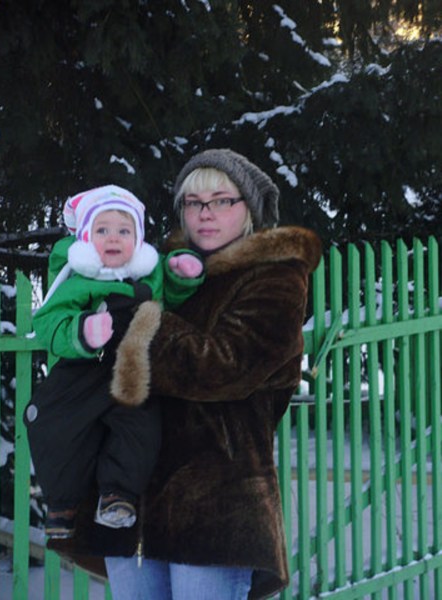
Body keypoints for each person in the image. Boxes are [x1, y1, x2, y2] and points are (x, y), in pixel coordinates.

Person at [103, 149, 323, 599]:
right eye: (193, 202)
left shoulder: (276, 278)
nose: (205, 213)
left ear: (249, 209)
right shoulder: (159, 273)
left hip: (218, 507)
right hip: (134, 501)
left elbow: (223, 366)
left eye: (221, 200)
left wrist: (142, 321)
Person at [24, 184, 204, 541]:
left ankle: (118, 496)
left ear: (137, 240)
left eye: (124, 231)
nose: (113, 238)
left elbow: (169, 296)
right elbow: (48, 322)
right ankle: (62, 504)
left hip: (130, 368)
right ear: (86, 238)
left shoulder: (148, 274)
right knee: (53, 425)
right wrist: (82, 330)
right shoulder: (76, 280)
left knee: (139, 430)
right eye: (102, 230)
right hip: (81, 371)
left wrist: (181, 274)